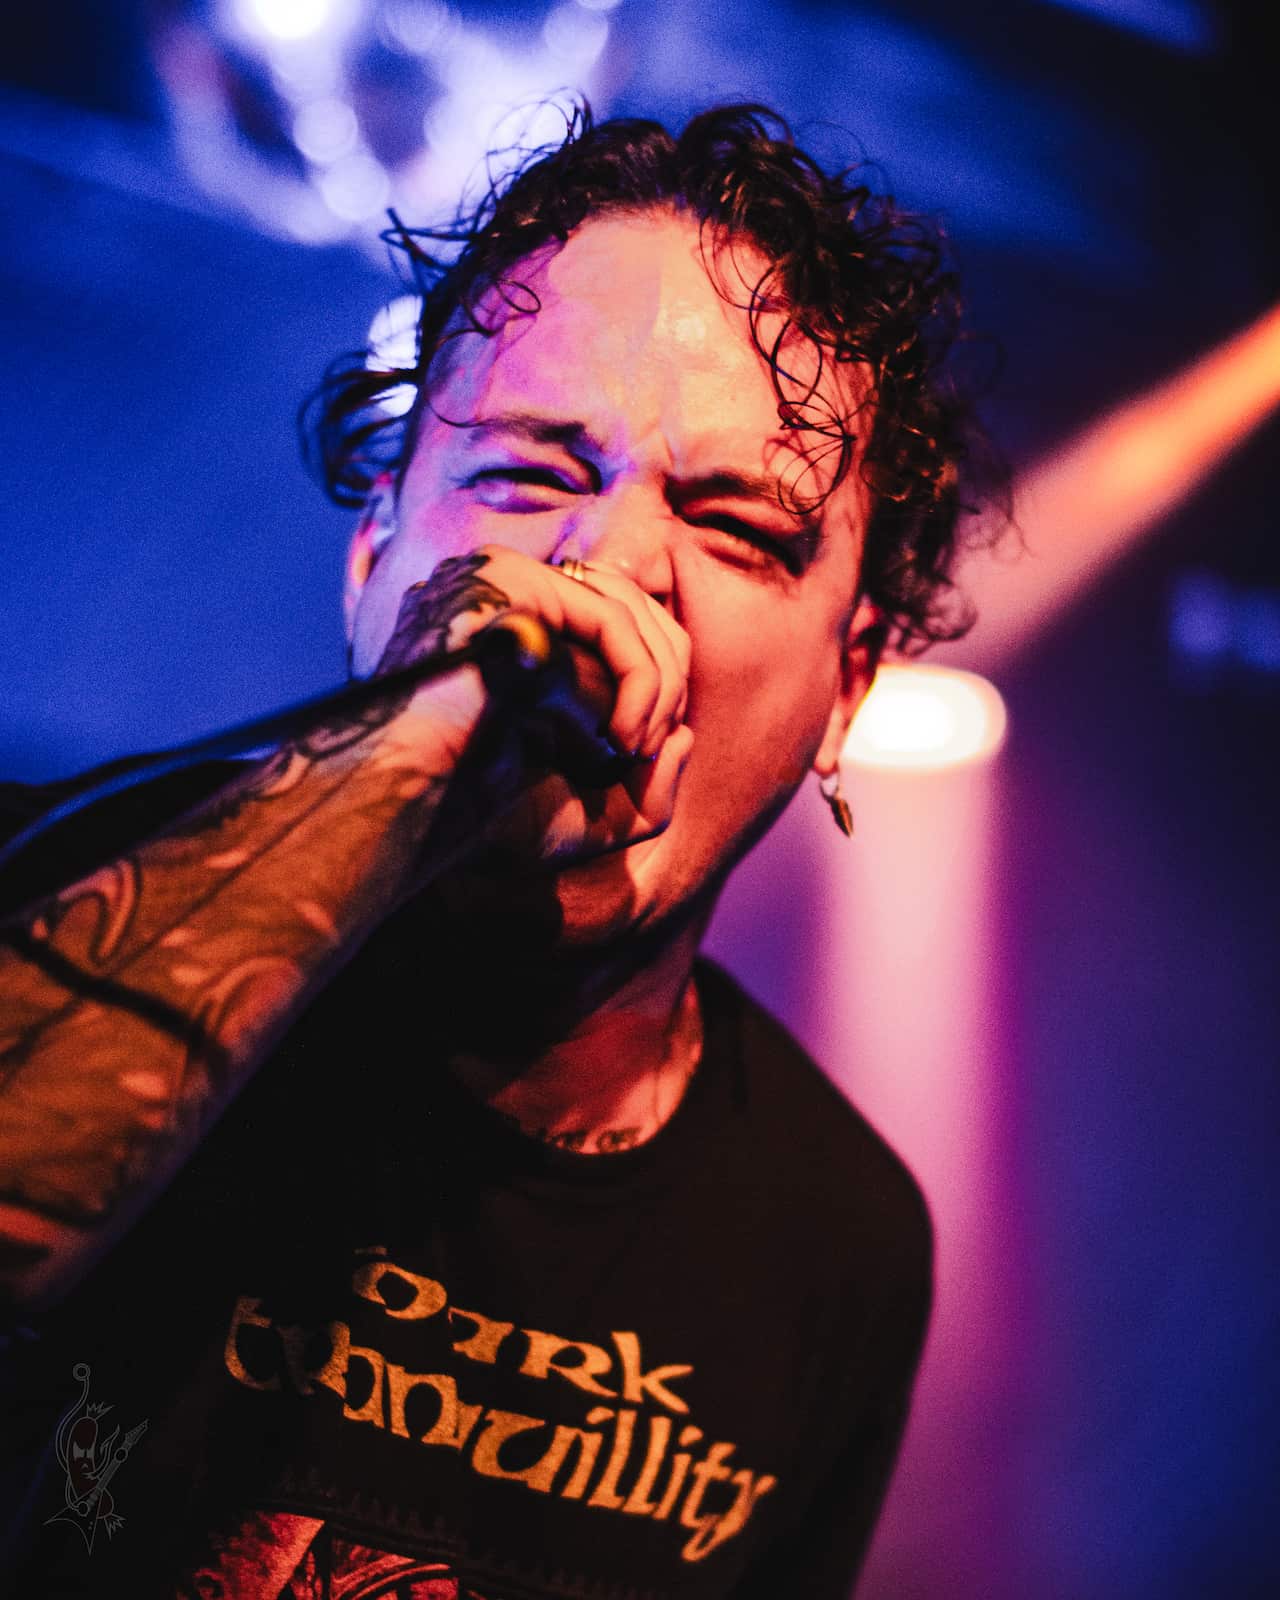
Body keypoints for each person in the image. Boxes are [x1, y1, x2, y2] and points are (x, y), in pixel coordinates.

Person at [0, 104, 989, 1597]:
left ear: (847, 689)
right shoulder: (57, 891)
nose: (612, 572)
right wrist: (435, 739)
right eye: (528, 476)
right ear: (373, 557)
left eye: (734, 525)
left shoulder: (835, 1241)